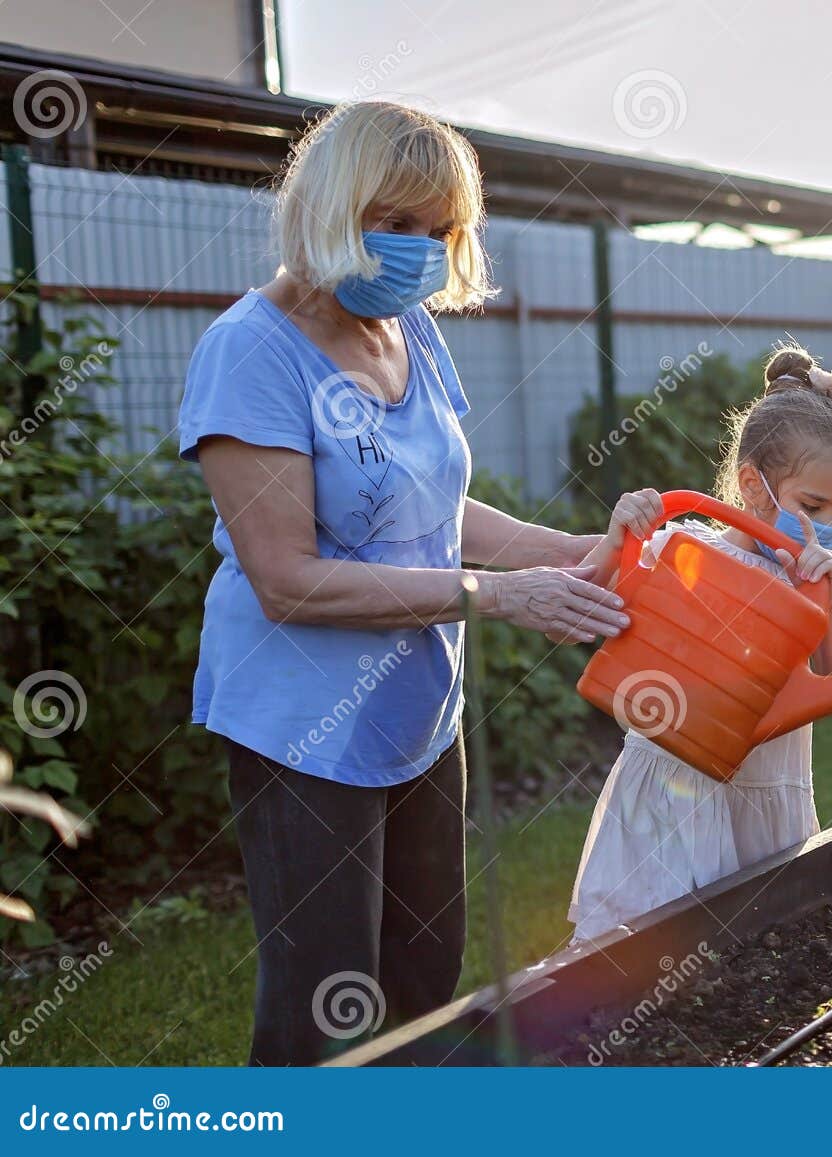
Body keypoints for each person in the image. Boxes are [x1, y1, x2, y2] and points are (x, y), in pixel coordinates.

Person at [177, 100, 641, 1064]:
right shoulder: (251, 351)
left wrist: (569, 549)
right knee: (321, 1010)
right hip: (303, 729)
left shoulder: (407, 330)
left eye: (440, 230)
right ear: (331, 205)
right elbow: (287, 579)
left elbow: (430, 508)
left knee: (426, 981)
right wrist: (491, 596)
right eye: (395, 222)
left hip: (418, 715)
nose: (420, 250)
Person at [567, 344, 832, 941]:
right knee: (645, 956)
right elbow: (586, 600)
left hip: (766, 803)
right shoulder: (685, 554)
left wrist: (827, 604)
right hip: (671, 798)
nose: (828, 524)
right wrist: (619, 538)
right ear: (753, 485)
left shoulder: (811, 589)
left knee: (751, 963)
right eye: (813, 506)